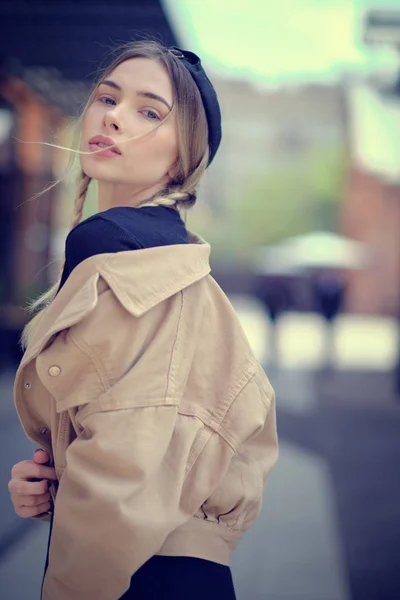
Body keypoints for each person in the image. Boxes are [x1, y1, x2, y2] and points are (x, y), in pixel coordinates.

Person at [8, 40, 278, 600]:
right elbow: (126, 449)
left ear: (183, 156)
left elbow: (116, 487)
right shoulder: (152, 263)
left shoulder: (127, 261)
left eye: (149, 110)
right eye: (107, 97)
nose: (113, 114)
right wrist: (53, 480)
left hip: (149, 578)